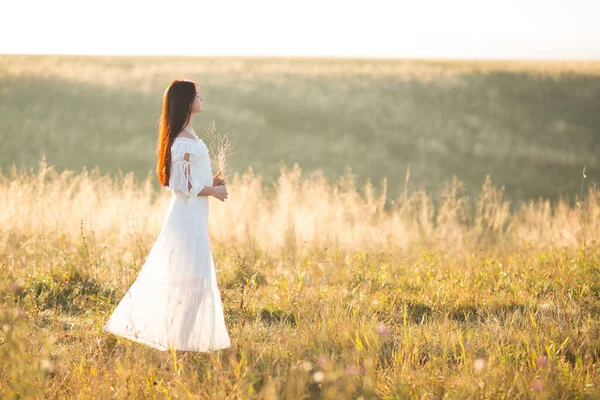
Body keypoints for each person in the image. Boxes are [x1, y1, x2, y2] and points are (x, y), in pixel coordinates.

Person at [102, 79, 231, 352]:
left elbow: (190, 180)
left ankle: (180, 343)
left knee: (192, 279)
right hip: (185, 220)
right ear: (186, 102)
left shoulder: (190, 137)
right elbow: (180, 187)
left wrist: (212, 180)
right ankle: (178, 345)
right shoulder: (183, 141)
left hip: (194, 218)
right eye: (197, 95)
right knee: (189, 279)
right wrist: (213, 191)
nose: (201, 97)